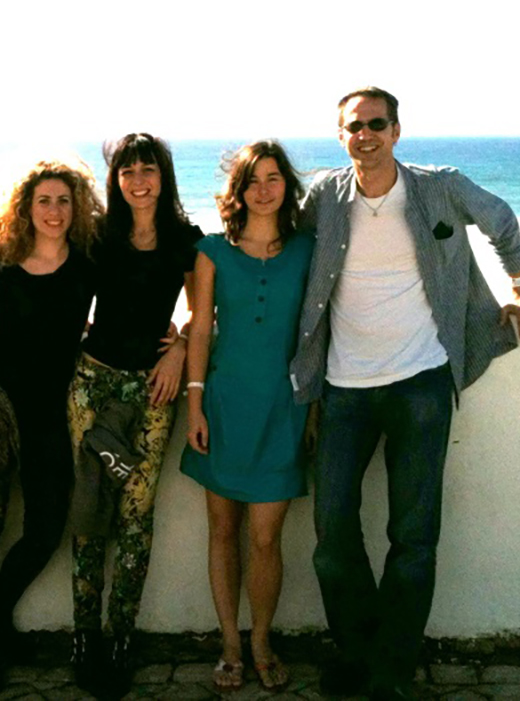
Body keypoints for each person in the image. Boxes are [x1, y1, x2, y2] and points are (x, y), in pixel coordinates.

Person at [291, 87, 520, 701]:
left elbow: (501, 221)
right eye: (353, 126)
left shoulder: (439, 185)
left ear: (397, 130)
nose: (365, 135)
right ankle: (357, 651)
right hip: (344, 389)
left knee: (413, 537)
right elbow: (277, 244)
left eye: (376, 124)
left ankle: (391, 670)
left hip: (422, 384)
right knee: (332, 537)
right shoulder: (325, 196)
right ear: (341, 136)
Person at [0, 159, 102, 694]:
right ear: (26, 207)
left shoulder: (87, 263)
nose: (55, 211)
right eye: (44, 201)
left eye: (64, 201)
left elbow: (137, 290)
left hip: (49, 414)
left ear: (76, 206)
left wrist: (178, 339)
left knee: (45, 528)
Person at [66, 133, 202, 698]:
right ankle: (84, 638)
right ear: (115, 179)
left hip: (152, 390)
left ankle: (122, 638)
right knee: (89, 512)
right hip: (91, 384)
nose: (138, 180)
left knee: (137, 516)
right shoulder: (97, 235)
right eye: (127, 171)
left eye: (148, 169)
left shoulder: (184, 240)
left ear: (163, 176)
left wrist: (177, 350)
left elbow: (204, 311)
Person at [181, 141, 314, 692]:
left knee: (265, 537)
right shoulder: (212, 250)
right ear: (237, 191)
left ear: (287, 185)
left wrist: (313, 410)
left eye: (274, 177)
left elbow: (321, 329)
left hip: (283, 409)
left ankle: (261, 638)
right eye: (253, 180)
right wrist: (194, 405)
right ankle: (230, 644)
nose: (264, 188)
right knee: (222, 531)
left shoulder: (309, 250)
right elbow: (201, 329)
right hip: (224, 406)